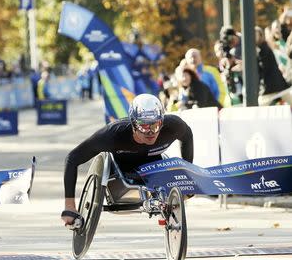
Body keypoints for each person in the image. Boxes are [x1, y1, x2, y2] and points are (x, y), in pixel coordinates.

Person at [61, 93, 193, 228]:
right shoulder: (112, 134)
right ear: (133, 124)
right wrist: (69, 206)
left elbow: (187, 135)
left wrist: (189, 173)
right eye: (144, 126)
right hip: (121, 171)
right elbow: (72, 159)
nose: (151, 132)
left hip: (153, 166)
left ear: (162, 121)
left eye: (155, 125)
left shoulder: (173, 126)